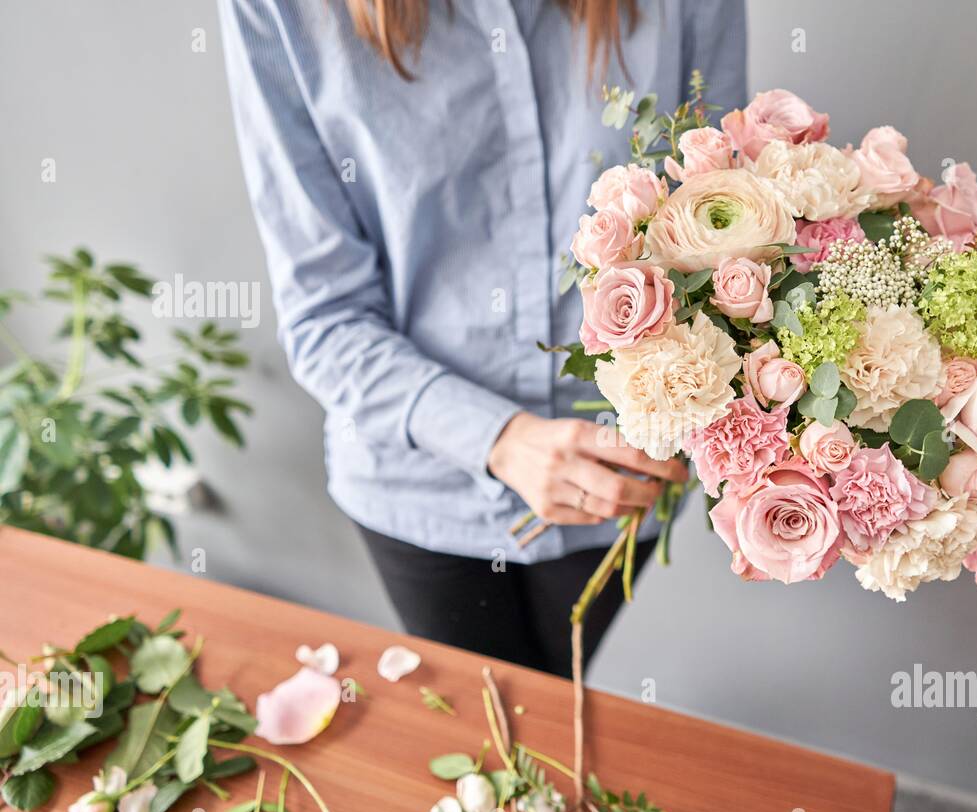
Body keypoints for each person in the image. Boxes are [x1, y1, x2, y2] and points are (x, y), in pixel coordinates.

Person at [218, 0, 747, 675]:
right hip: (420, 480)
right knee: (491, 735)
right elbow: (324, 316)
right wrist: (498, 438)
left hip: (623, 472)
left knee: (548, 719)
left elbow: (726, 223)